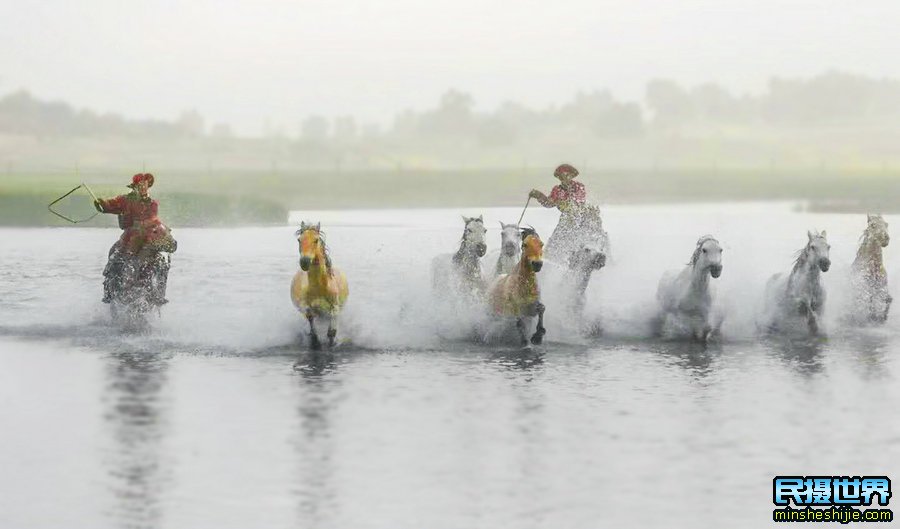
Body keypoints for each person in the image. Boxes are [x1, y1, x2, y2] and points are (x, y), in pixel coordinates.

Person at [94, 173, 169, 305]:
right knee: (113, 256)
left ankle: (159, 294)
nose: (143, 188)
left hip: (147, 237)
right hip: (129, 237)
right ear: (134, 187)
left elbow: (153, 220)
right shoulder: (124, 200)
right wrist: (102, 204)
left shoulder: (153, 204)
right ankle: (109, 292)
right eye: (140, 185)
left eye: (145, 185)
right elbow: (111, 205)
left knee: (162, 263)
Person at [528, 164, 607, 261]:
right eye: (562, 176)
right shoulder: (557, 190)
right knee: (555, 240)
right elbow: (549, 203)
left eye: (567, 175)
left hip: (581, 217)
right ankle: (549, 258)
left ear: (571, 176)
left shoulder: (579, 187)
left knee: (592, 228)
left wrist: (560, 202)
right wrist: (539, 196)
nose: (565, 178)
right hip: (567, 219)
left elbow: (578, 201)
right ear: (559, 177)